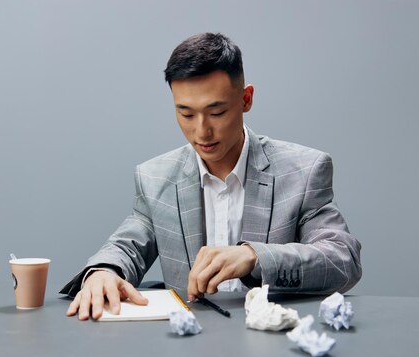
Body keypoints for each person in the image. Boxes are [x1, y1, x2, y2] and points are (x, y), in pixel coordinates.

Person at [62, 32, 362, 320]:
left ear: (246, 100)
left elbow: (343, 260)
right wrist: (103, 272)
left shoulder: (304, 171)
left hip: (276, 346)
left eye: (216, 113)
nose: (202, 131)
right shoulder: (155, 178)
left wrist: (255, 257)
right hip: (188, 350)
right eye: (186, 114)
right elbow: (127, 246)